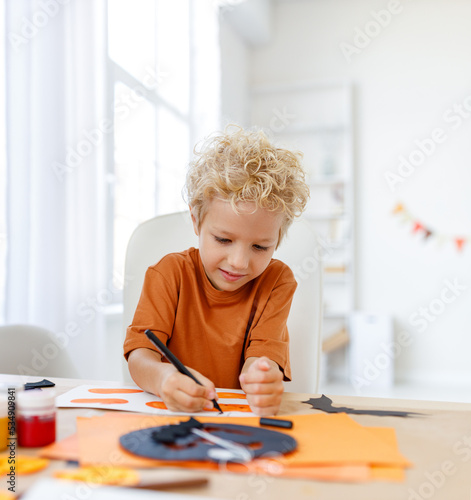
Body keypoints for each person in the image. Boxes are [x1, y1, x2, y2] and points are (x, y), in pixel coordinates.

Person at [123, 125, 309, 416]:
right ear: (196, 221)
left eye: (260, 247)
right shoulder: (168, 274)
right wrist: (164, 378)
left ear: (277, 239)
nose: (238, 262)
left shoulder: (277, 281)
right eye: (223, 240)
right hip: (171, 418)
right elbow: (140, 357)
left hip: (236, 423)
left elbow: (261, 358)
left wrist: (262, 376)